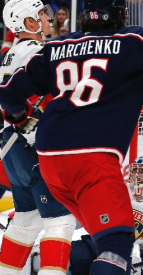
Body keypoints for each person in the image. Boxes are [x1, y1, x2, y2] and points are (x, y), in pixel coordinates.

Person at [0, 0, 143, 274]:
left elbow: (9, 94)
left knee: (45, 222)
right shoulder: (130, 41)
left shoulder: (55, 47)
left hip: (49, 159)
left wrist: (20, 118)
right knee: (115, 242)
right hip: (90, 159)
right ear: (119, 15)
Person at [0, 1, 77, 274]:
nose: (47, 18)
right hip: (31, 144)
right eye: (42, 14)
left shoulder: (11, 53)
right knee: (61, 220)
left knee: (27, 219)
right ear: (29, 24)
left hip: (11, 147)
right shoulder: (38, 52)